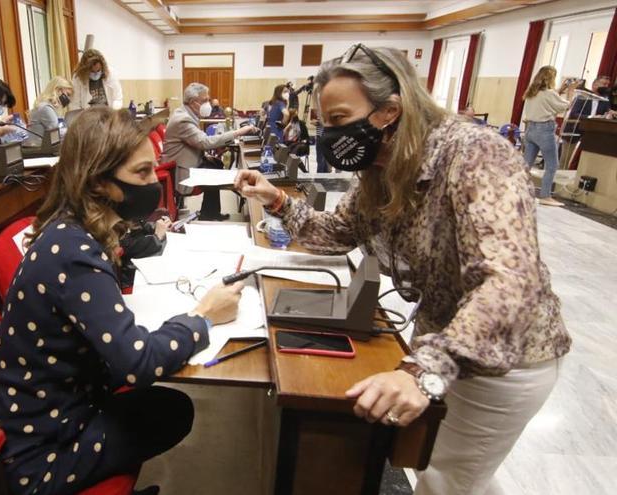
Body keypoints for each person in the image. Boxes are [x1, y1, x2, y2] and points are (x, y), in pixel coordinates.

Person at [234, 45, 571, 495]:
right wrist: (275, 199)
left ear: (390, 110)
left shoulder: (475, 155)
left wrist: (421, 371)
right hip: (440, 341)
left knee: (447, 479)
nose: (330, 134)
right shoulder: (381, 165)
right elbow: (337, 232)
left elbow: (510, 280)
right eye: (324, 122)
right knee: (453, 471)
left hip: (503, 359)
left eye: (338, 119)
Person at [0, 107, 243, 495]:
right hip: (36, 454)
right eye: (141, 173)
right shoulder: (74, 252)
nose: (152, 182)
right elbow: (138, 364)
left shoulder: (71, 228)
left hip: (30, 406)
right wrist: (203, 317)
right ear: (98, 181)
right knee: (172, 412)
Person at [161, 83, 258, 221]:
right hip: (180, 172)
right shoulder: (182, 119)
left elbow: (196, 143)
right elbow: (205, 142)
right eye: (205, 100)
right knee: (214, 170)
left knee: (216, 164)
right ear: (194, 102)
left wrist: (207, 154)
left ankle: (210, 212)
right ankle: (210, 213)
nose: (209, 103)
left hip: (187, 162)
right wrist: (238, 132)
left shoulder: (186, 114)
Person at [523, 66, 578, 206]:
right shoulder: (549, 93)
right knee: (552, 164)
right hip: (544, 130)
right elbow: (565, 106)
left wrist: (560, 90)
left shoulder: (532, 92)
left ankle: (517, 189)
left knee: (526, 164)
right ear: (551, 78)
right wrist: (571, 92)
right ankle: (545, 196)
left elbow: (547, 100)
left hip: (530, 129)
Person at [119, 214, 171, 289]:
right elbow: (125, 246)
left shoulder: (130, 212)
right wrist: (156, 237)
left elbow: (140, 225)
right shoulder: (114, 218)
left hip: (143, 265)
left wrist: (159, 226)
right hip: (131, 277)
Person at [26, 77, 73, 147]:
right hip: (38, 151)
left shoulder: (50, 107)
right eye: (68, 94)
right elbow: (57, 132)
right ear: (58, 90)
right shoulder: (45, 108)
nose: (69, 99)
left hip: (44, 149)